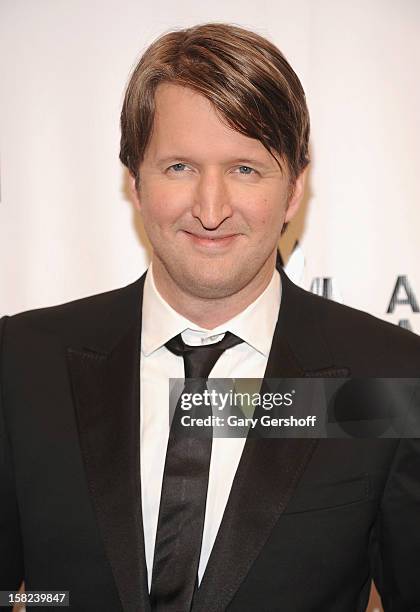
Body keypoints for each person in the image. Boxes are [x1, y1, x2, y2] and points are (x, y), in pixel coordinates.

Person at [1, 22, 419, 612]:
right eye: (179, 167)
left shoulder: (388, 377)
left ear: (294, 190)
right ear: (135, 183)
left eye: (245, 168)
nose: (211, 208)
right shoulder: (24, 361)